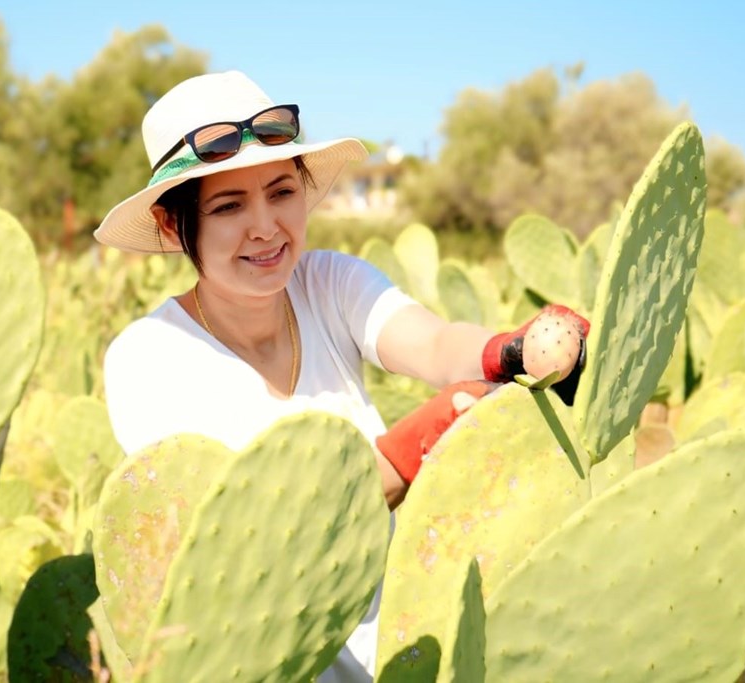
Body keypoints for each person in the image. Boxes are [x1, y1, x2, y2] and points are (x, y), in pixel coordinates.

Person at [94, 71, 589, 682]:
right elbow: (256, 537)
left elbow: (432, 344)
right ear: (173, 226)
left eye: (280, 192)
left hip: (407, 648)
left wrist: (507, 351)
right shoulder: (150, 360)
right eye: (228, 206)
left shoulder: (328, 283)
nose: (266, 228)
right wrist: (414, 449)